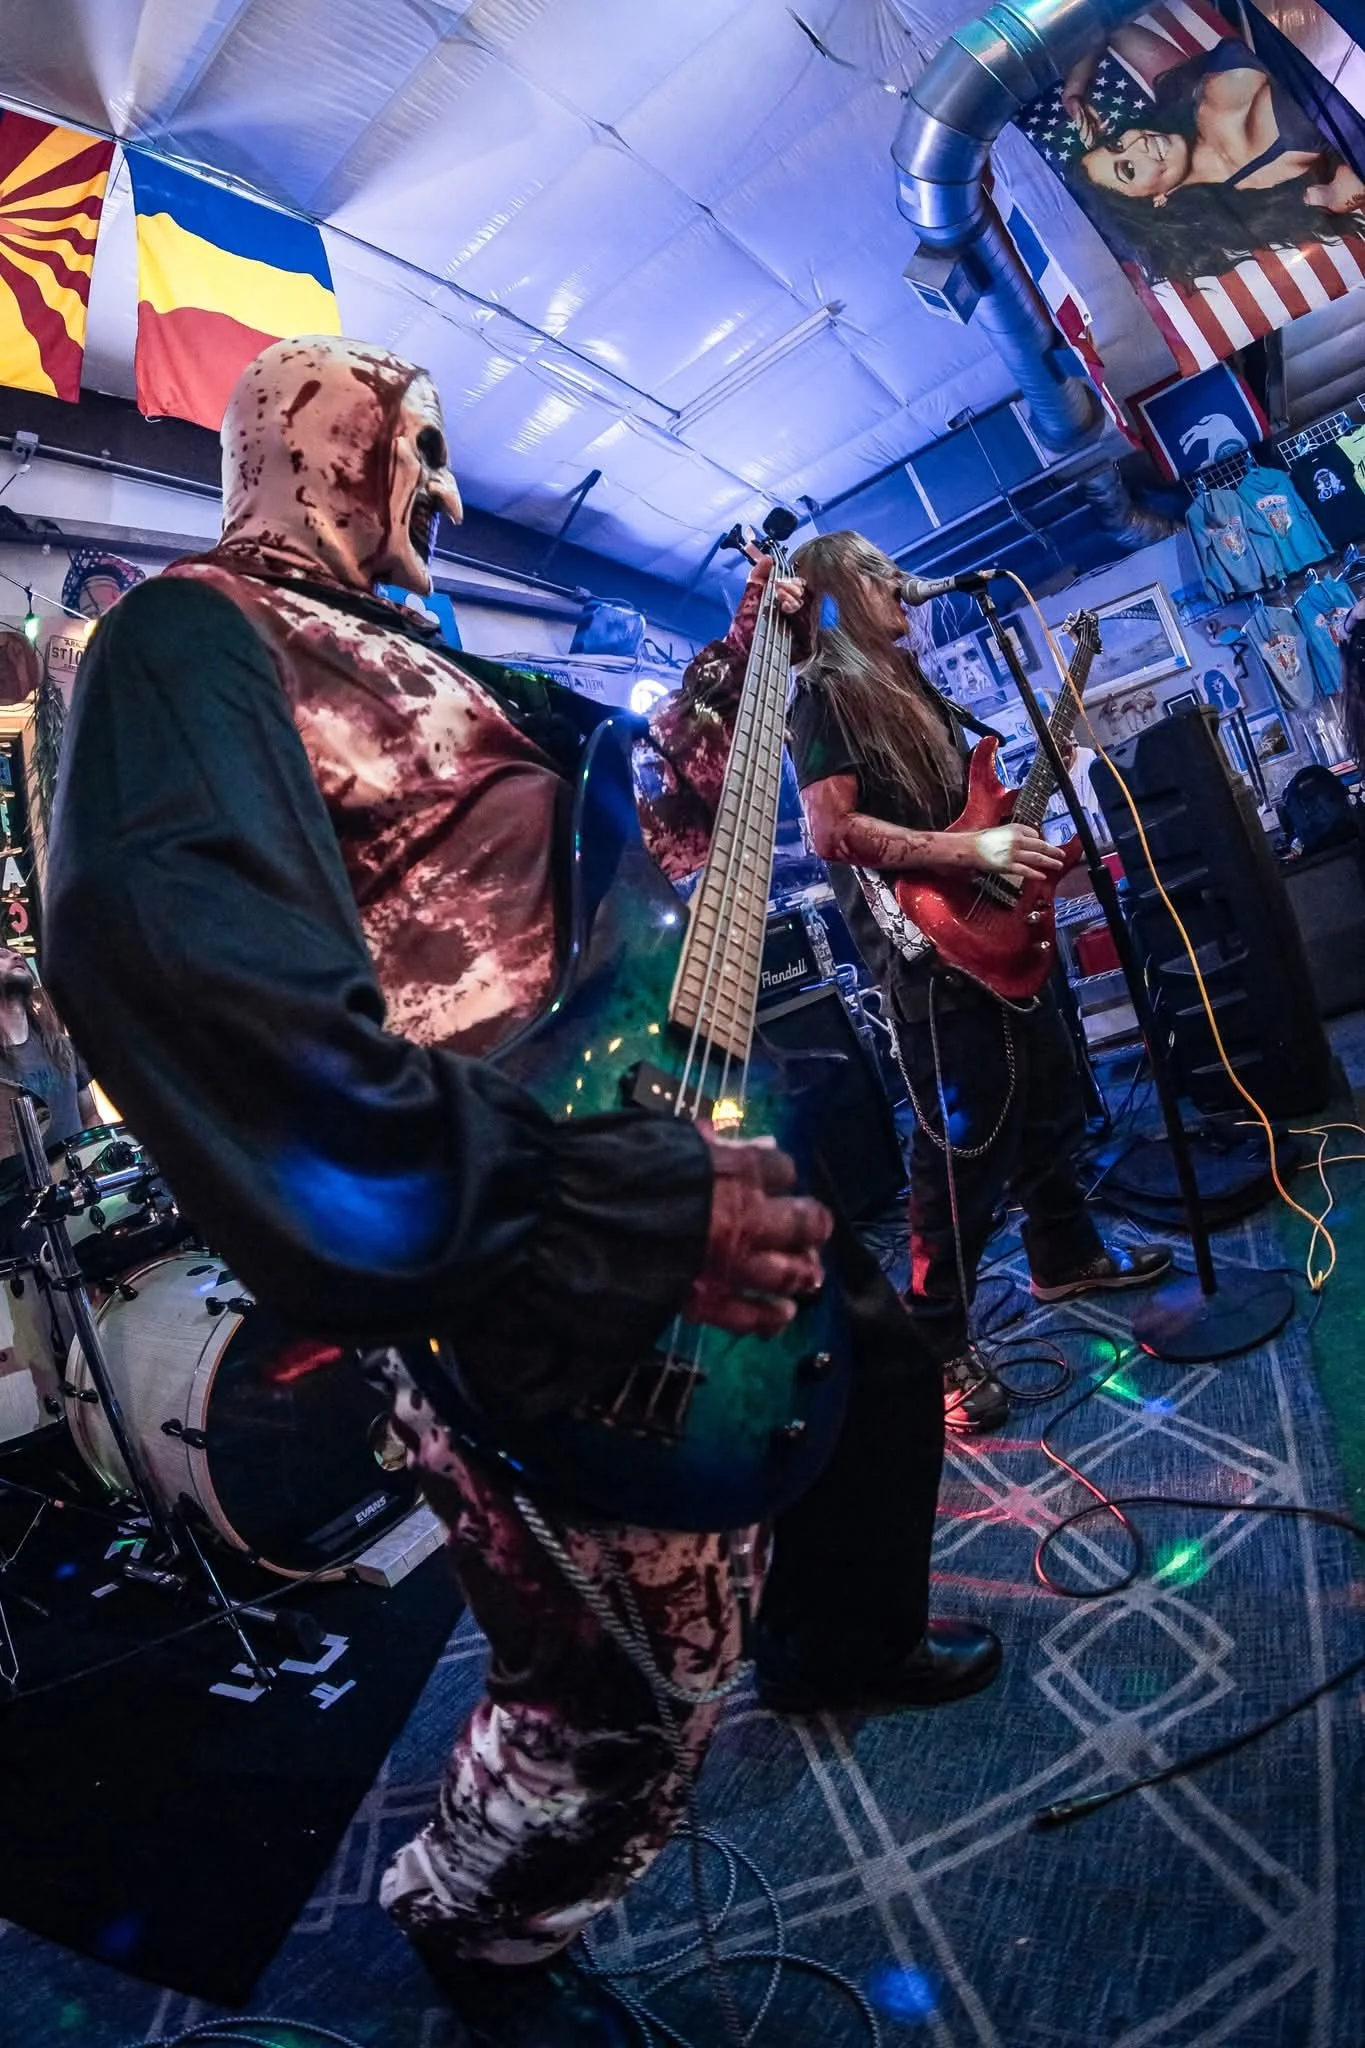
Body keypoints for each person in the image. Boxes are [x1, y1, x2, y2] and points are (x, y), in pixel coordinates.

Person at [45, 340, 998, 2048]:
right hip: (527, 1254)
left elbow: (670, 837)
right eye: (413, 441)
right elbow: (198, 986)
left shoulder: (425, 666)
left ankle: (840, 1639)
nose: (447, 484)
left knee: (862, 1370)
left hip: (635, 1148)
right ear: (314, 437)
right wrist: (589, 1204)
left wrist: (745, 668)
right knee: (624, 1690)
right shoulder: (192, 634)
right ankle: (476, 1925)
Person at [738, 530, 1170, 1435]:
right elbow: (831, 832)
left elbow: (961, 808)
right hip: (925, 952)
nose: (898, 582)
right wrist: (974, 847)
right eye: (874, 570)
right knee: (960, 1148)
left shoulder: (913, 685)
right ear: (834, 594)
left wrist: (1005, 838)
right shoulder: (822, 692)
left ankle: (1063, 1253)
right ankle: (932, 1347)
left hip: (993, 928)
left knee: (1050, 1096)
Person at [1061, 23, 1365, 285]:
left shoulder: (1179, 92)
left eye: (1117, 144)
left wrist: (1074, 90)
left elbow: (1108, 23)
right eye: (1127, 168)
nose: (1138, 144)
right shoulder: (1273, 201)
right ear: (1157, 201)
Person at [0, 946, 96, 1160]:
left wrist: (93, 1161)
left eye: (17, 955)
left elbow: (90, 1116)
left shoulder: (62, 1046)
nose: (18, 956)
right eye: (1, 956)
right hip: (19, 1190)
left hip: (78, 1184)